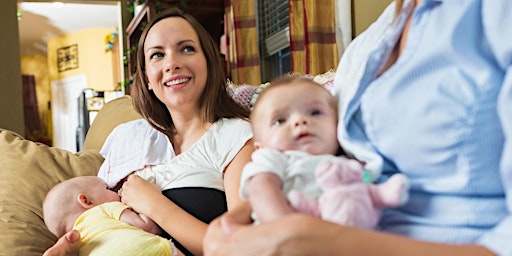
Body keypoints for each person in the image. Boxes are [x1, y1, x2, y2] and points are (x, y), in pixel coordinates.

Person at [203, 0, 512, 255]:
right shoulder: (367, 46)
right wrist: (235, 223)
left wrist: (319, 241)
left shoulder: (494, 15)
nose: (300, 122)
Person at [44, 7, 254, 256]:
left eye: (186, 49)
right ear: (146, 79)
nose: (172, 63)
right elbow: (90, 218)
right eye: (157, 55)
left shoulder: (236, 137)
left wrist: (154, 205)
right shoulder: (126, 138)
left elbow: (241, 247)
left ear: (208, 61)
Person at [240, 76, 408, 227]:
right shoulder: (274, 157)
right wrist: (289, 229)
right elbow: (261, 191)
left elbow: (367, 181)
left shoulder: (347, 162)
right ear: (260, 148)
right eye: (280, 121)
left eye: (315, 112)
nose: (300, 121)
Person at [43, 176, 182, 256]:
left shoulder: (77, 249)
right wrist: (152, 194)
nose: (118, 192)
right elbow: (149, 227)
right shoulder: (104, 209)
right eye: (108, 189)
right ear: (86, 201)